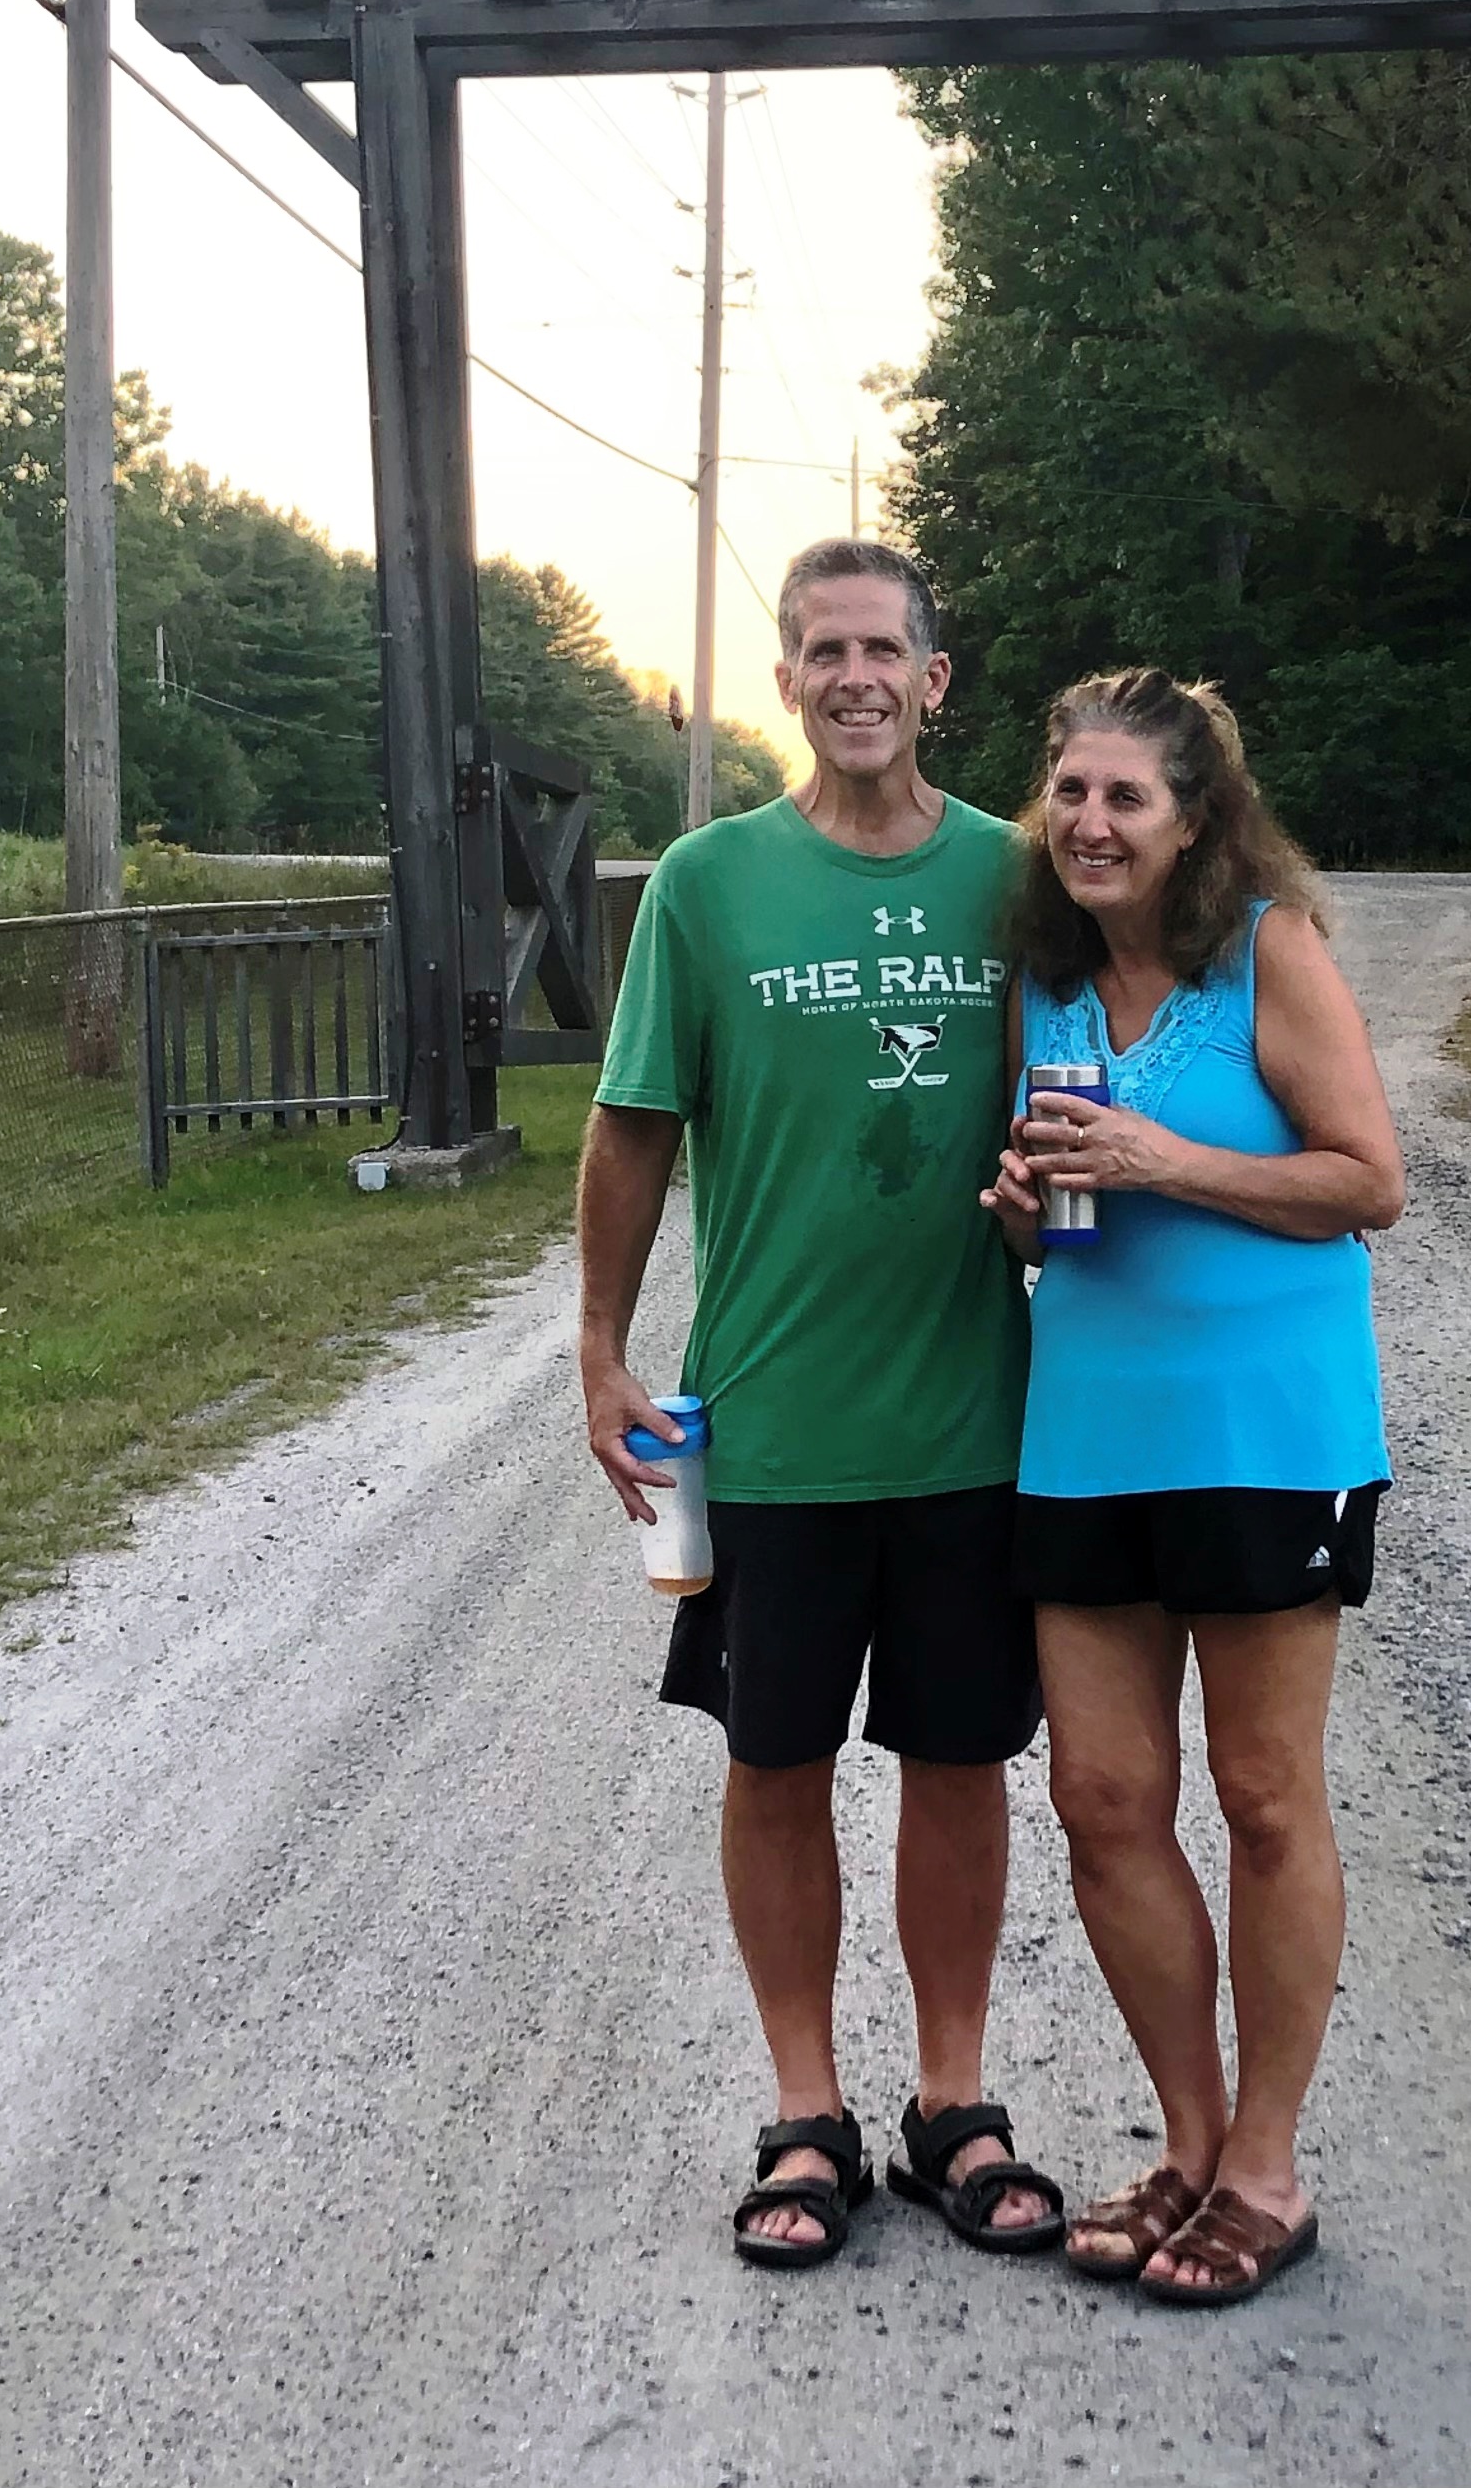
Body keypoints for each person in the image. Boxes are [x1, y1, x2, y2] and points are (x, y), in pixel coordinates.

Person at [578, 538, 1064, 2271]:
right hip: (770, 1427)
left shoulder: (1022, 879)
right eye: (820, 649)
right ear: (782, 679)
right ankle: (807, 2109)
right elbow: (633, 1124)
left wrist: (1050, 1212)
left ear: (940, 680)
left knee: (960, 1756)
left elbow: (1087, 1099)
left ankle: (952, 2100)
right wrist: (599, 1343)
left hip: (969, 1420)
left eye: (885, 649)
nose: (855, 674)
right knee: (772, 1760)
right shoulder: (706, 886)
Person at [980, 667, 1404, 2308]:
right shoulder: (1053, 986)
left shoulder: (1266, 954)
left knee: (1266, 1798)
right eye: (1069, 795)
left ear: (1195, 819)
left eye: (1125, 798)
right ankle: (1193, 2135)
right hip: (1088, 1430)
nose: (1090, 823)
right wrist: (1025, 1199)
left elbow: (1370, 1180)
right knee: (1101, 1801)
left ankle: (1271, 2170)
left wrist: (1162, 1160)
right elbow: (1042, 1233)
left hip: (1266, 1428)